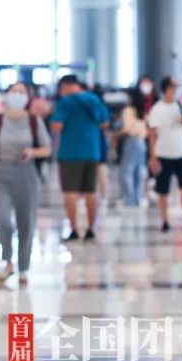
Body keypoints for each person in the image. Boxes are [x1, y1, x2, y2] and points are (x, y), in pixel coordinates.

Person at [0, 83, 51, 285]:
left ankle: (24, 267)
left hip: (27, 174)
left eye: (22, 92)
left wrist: (32, 152)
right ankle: (7, 261)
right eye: (14, 91)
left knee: (26, 222)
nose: (17, 95)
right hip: (2, 172)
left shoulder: (34, 121)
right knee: (3, 220)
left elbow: (47, 148)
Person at [50, 74, 110, 241]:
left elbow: (56, 126)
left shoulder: (66, 102)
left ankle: (75, 230)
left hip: (70, 153)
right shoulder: (94, 100)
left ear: (66, 86)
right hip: (92, 152)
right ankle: (91, 230)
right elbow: (105, 123)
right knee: (91, 192)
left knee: (71, 193)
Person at [147, 77, 182, 233]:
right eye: (173, 87)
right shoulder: (157, 108)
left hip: (181, 152)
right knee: (163, 190)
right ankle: (164, 220)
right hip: (163, 153)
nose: (175, 90)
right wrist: (153, 157)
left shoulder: (180, 105)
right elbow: (152, 134)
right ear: (166, 89)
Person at [117, 84, 149, 208]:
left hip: (131, 140)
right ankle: (137, 198)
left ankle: (129, 199)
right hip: (142, 142)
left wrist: (115, 135)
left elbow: (126, 128)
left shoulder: (128, 111)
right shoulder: (142, 111)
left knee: (126, 171)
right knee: (138, 172)